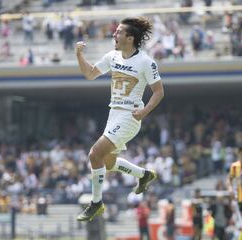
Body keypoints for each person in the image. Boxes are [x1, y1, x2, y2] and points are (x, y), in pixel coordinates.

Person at [75, 16, 164, 222]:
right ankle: (143, 175)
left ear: (130, 38)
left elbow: (159, 92)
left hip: (130, 117)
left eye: (119, 32)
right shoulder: (112, 56)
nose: (114, 34)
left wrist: (144, 111)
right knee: (107, 163)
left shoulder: (145, 62)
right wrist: (79, 55)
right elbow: (89, 74)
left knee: (94, 155)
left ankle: (96, 203)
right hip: (113, 114)